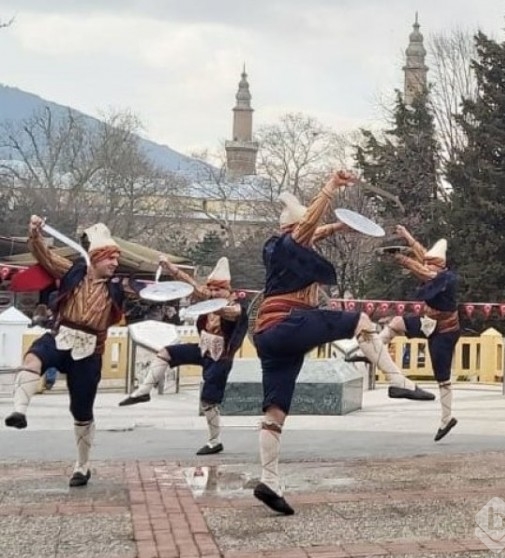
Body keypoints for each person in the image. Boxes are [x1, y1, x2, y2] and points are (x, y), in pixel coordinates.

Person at [251, 171, 434, 516]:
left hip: (268, 336)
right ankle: (398, 382)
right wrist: (331, 187)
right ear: (295, 226)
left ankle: (269, 481)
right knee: (359, 320)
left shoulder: (278, 249)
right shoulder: (292, 243)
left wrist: (338, 228)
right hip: (289, 322)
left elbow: (312, 231)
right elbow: (307, 227)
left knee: (274, 411)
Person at [5, 218, 137, 487]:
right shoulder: (73, 272)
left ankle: (82, 465)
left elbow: (142, 298)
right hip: (60, 334)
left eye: (116, 259)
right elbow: (45, 256)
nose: (114, 264)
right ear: (96, 258)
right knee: (33, 358)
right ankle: (19, 411)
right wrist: (34, 234)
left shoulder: (117, 288)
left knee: (82, 410)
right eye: (110, 259)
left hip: (90, 350)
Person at [119, 256, 248, 456]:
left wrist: (211, 305)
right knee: (166, 353)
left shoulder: (235, 306)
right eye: (211, 289)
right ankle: (144, 391)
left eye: (218, 290)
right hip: (202, 348)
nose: (213, 293)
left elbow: (233, 313)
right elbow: (189, 283)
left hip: (220, 357)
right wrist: (169, 266)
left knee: (208, 401)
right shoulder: (209, 298)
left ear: (227, 289)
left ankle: (215, 441)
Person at [380, 225, 460, 441]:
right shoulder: (435, 270)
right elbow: (422, 255)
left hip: (444, 331)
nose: (425, 265)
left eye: (429, 264)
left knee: (442, 377)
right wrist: (406, 235)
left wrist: (400, 258)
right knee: (397, 322)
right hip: (428, 322)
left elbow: (424, 270)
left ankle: (447, 418)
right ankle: (373, 349)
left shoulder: (445, 279)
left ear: (439, 267)